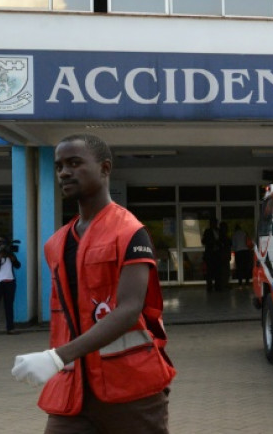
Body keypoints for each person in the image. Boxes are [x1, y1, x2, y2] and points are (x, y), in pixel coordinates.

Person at [11, 133, 175, 433]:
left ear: (105, 168)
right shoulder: (56, 244)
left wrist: (56, 357)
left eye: (74, 163)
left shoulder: (129, 232)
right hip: (73, 389)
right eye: (59, 165)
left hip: (131, 390)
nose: (64, 172)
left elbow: (128, 310)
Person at [0, 235, 21, 336]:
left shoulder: (10, 254)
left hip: (10, 282)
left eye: (1, 242)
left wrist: (12, 258)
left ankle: (10, 328)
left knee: (9, 306)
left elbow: (18, 266)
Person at [201, 219, 220, 292]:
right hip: (210, 254)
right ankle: (209, 286)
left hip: (217, 254)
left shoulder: (219, 231)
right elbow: (203, 241)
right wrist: (211, 242)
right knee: (209, 271)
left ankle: (217, 286)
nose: (214, 224)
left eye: (215, 223)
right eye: (213, 223)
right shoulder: (207, 231)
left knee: (217, 271)